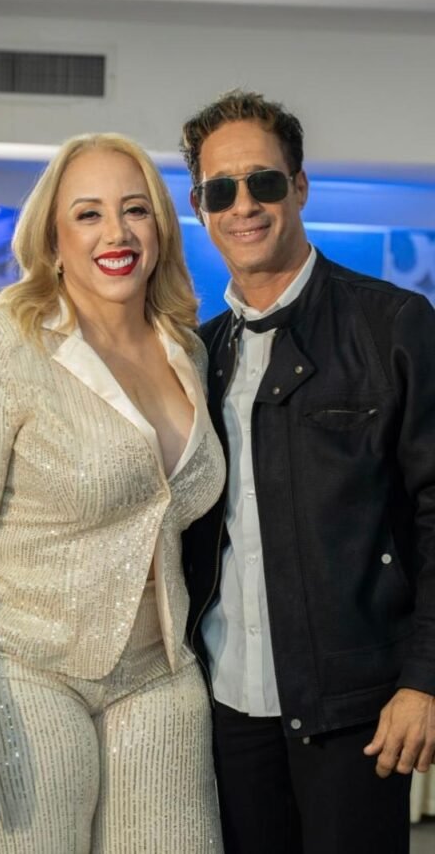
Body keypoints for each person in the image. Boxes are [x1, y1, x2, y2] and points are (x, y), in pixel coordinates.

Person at [0, 133, 225, 852]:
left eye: (135, 210)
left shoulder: (188, 348)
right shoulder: (3, 342)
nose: (116, 232)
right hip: (20, 671)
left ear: (160, 228)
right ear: (54, 241)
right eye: (88, 214)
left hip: (159, 674)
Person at [179, 89, 435, 854]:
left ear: (299, 186)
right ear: (198, 206)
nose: (243, 205)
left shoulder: (393, 325)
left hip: (357, 707)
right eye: (220, 190)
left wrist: (425, 678)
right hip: (228, 707)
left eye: (263, 181)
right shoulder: (197, 354)